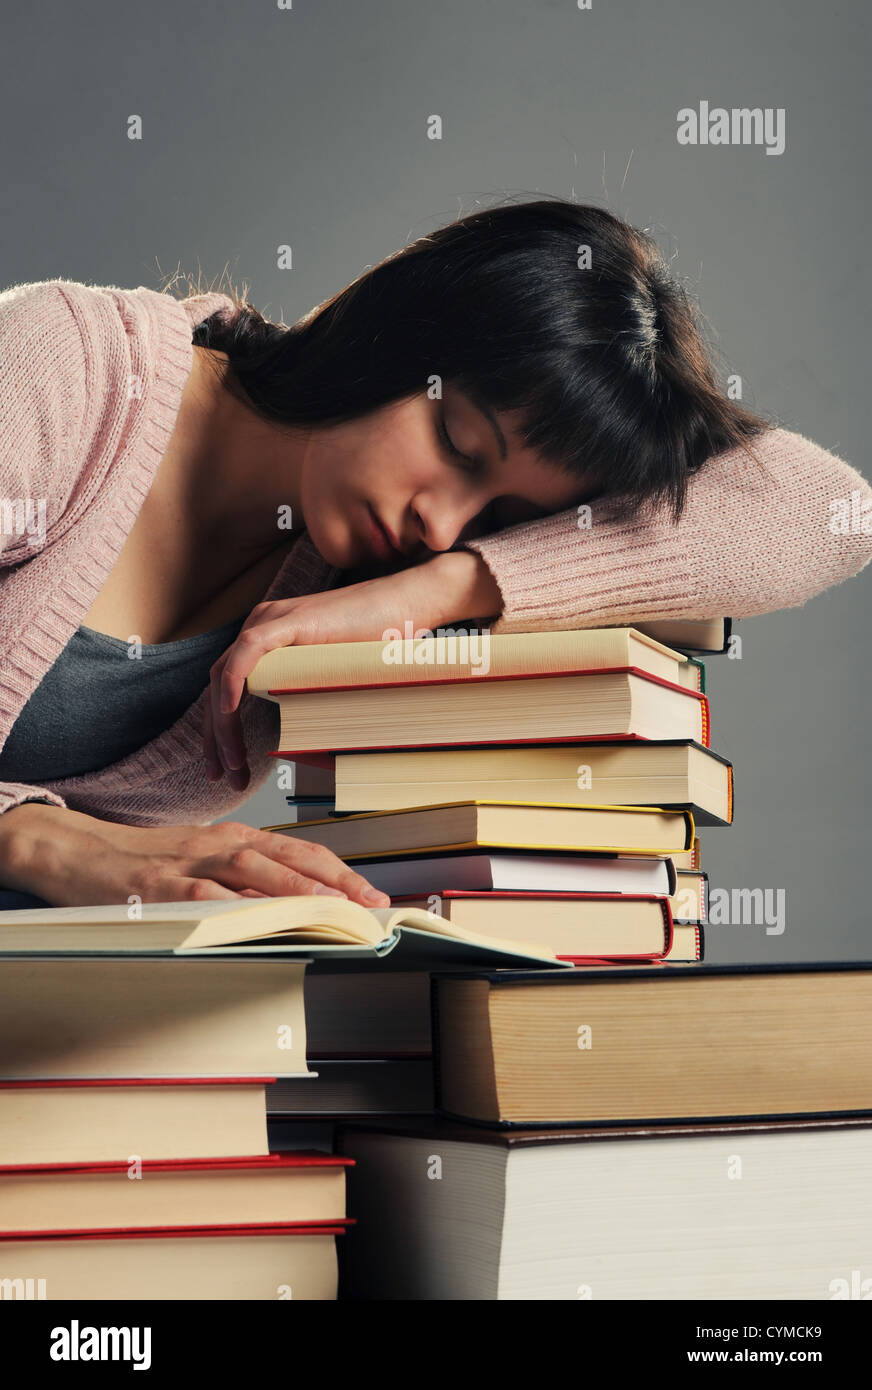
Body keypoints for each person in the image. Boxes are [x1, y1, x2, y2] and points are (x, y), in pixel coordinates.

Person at [0, 197, 869, 908]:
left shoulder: (366, 569)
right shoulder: (70, 374)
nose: (443, 523)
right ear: (394, 336)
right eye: (457, 443)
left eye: (499, 512)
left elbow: (836, 511)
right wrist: (34, 838)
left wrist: (450, 587)